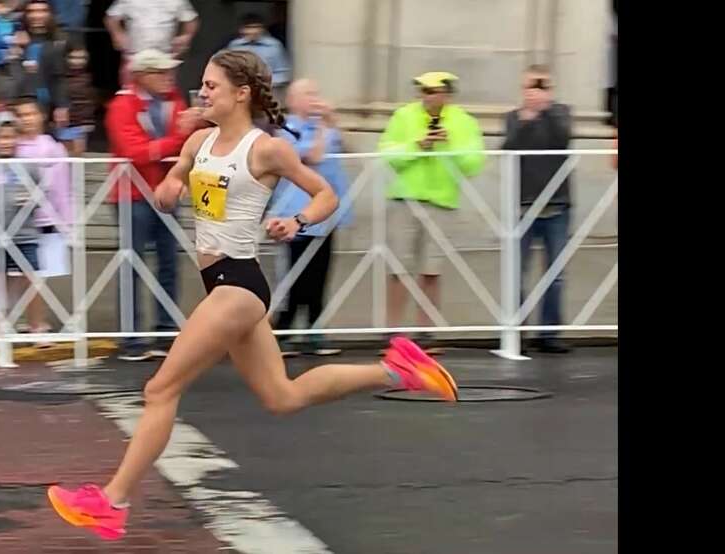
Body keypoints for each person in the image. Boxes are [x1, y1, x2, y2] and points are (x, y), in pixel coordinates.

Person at [47, 50, 459, 541]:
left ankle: (111, 502)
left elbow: (325, 194)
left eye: (212, 86)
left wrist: (297, 220)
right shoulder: (198, 141)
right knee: (282, 396)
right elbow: (176, 177)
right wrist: (171, 188)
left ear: (241, 93)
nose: (203, 93)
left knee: (159, 390)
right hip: (222, 283)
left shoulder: (267, 150)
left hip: (238, 285)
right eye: (202, 84)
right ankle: (399, 369)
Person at [377, 71, 485, 353]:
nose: (426, 97)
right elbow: (388, 154)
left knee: (431, 269)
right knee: (399, 267)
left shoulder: (463, 121)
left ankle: (426, 332)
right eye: (423, 91)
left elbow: (473, 163)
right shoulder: (403, 116)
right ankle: (393, 333)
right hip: (405, 199)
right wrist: (418, 145)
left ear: (446, 94)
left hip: (442, 202)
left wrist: (447, 144)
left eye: (432, 92)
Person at [104, 49, 200, 361]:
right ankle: (130, 337)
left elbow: (183, 145)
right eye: (161, 72)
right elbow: (135, 151)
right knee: (132, 264)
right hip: (132, 194)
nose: (168, 76)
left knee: (169, 263)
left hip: (168, 191)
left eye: (169, 71)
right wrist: (178, 140)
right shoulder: (121, 105)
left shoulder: (176, 102)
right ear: (142, 75)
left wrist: (181, 140)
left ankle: (165, 331)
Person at [269, 79, 351, 357]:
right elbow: (312, 156)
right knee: (294, 274)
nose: (314, 99)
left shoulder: (325, 127)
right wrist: (323, 128)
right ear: (292, 100)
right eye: (308, 94)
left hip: (327, 213)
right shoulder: (286, 128)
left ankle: (315, 330)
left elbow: (347, 147)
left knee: (320, 273)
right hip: (297, 211)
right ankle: (285, 331)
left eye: (316, 93)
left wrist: (333, 122)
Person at [502, 65, 573, 355]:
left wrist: (546, 110)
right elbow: (509, 148)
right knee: (517, 272)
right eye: (531, 87)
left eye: (542, 87)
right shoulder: (513, 118)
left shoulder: (561, 114)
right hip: (524, 205)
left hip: (557, 205)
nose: (536, 92)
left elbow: (563, 139)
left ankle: (549, 333)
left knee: (555, 274)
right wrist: (527, 119)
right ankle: (516, 331)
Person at [12, 96, 73, 345]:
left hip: (45, 219)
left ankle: (37, 324)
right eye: (22, 114)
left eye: (31, 113)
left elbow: (62, 188)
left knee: (36, 276)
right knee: (20, 276)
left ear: (41, 117)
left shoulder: (53, 148)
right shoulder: (12, 147)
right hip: (17, 220)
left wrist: (67, 221)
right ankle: (29, 322)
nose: (27, 119)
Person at [0, 111, 43, 342]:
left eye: (10, 137)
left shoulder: (28, 167)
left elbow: (42, 192)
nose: (6, 142)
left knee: (31, 278)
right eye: (0, 137)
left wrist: (32, 199)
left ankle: (37, 327)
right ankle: (1, 328)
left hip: (25, 232)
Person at [104, 0, 198, 85]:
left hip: (164, 59)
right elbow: (111, 19)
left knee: (165, 95)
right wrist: (118, 34)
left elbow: (191, 20)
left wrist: (185, 37)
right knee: (131, 94)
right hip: (135, 57)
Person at [19, 0, 71, 129]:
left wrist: (62, 106)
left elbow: (59, 78)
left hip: (45, 103)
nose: (37, 16)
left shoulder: (58, 41)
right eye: (32, 11)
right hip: (18, 101)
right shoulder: (16, 38)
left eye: (42, 11)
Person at [224, 13, 291, 101]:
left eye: (256, 27)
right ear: (242, 30)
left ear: (262, 29)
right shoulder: (234, 46)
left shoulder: (274, 46)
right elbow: (228, 69)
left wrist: (264, 82)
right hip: (241, 94)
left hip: (268, 94)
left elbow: (283, 73)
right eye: (249, 28)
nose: (253, 31)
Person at [57, 40, 96, 157]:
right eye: (73, 57)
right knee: (64, 156)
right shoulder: (60, 77)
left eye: (81, 58)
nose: (77, 61)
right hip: (65, 122)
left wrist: (88, 120)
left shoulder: (89, 77)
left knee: (78, 155)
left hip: (81, 122)